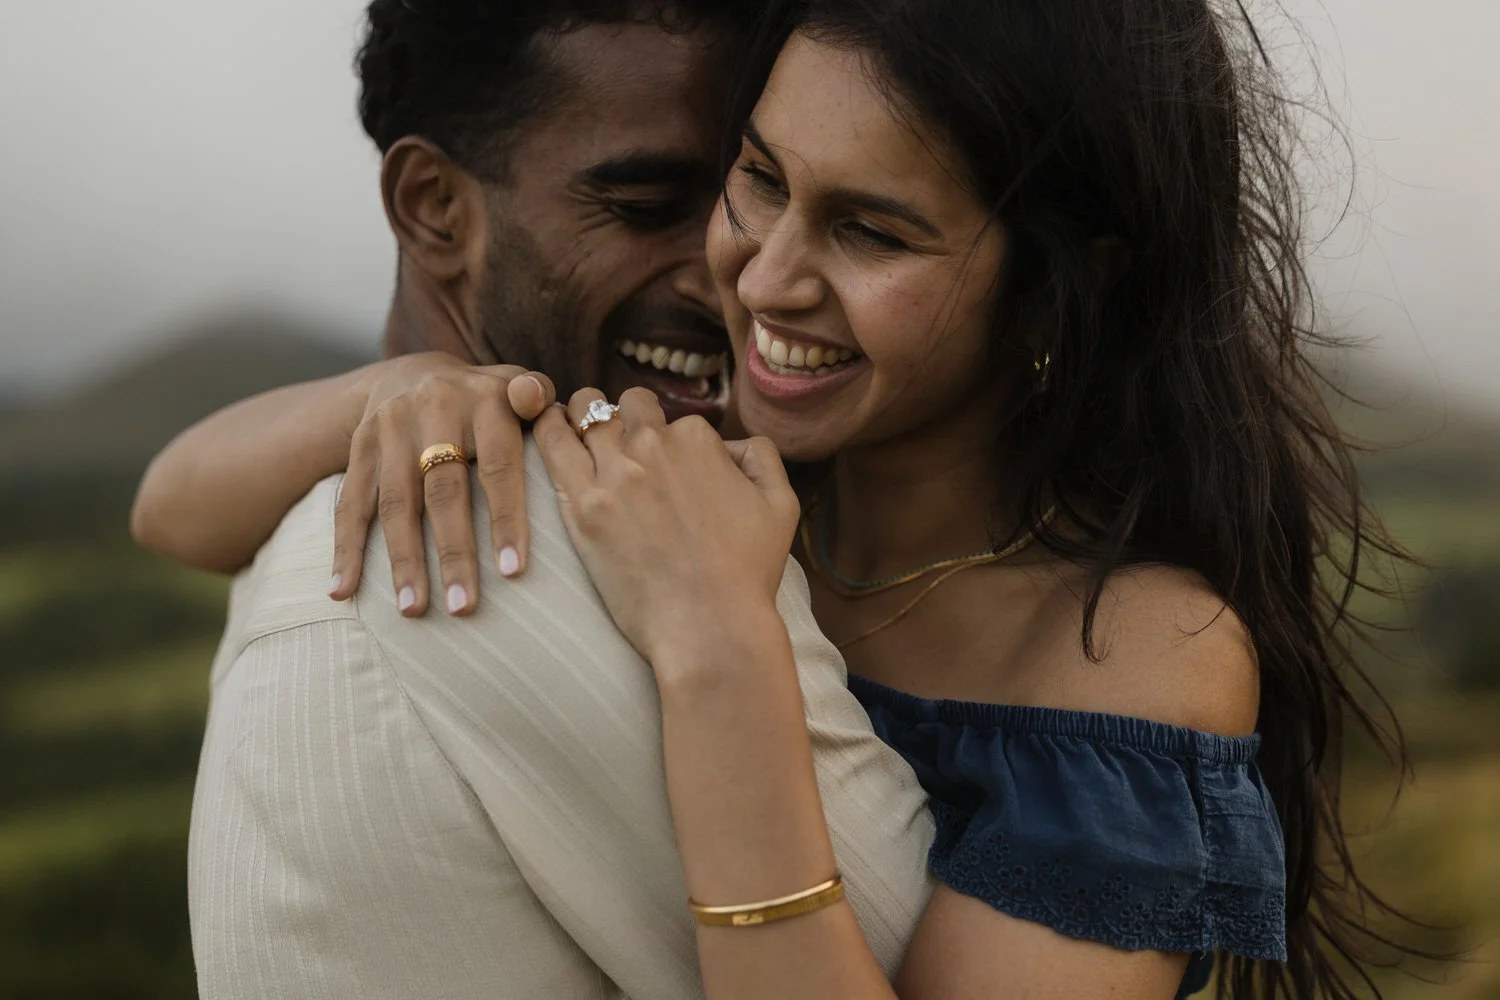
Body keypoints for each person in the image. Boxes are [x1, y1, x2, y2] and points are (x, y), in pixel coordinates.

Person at [136, 1, 1416, 999]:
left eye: (871, 231)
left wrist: (720, 647)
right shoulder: (722, 455)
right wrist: (411, 386)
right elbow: (174, 509)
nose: (756, 279)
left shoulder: (1131, 652)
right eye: (759, 178)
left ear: (1056, 287)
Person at [131, 3, 937, 999]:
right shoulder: (529, 548)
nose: (741, 275)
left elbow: (164, 506)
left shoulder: (653, 483)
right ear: (435, 206)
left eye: (747, 192)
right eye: (645, 205)